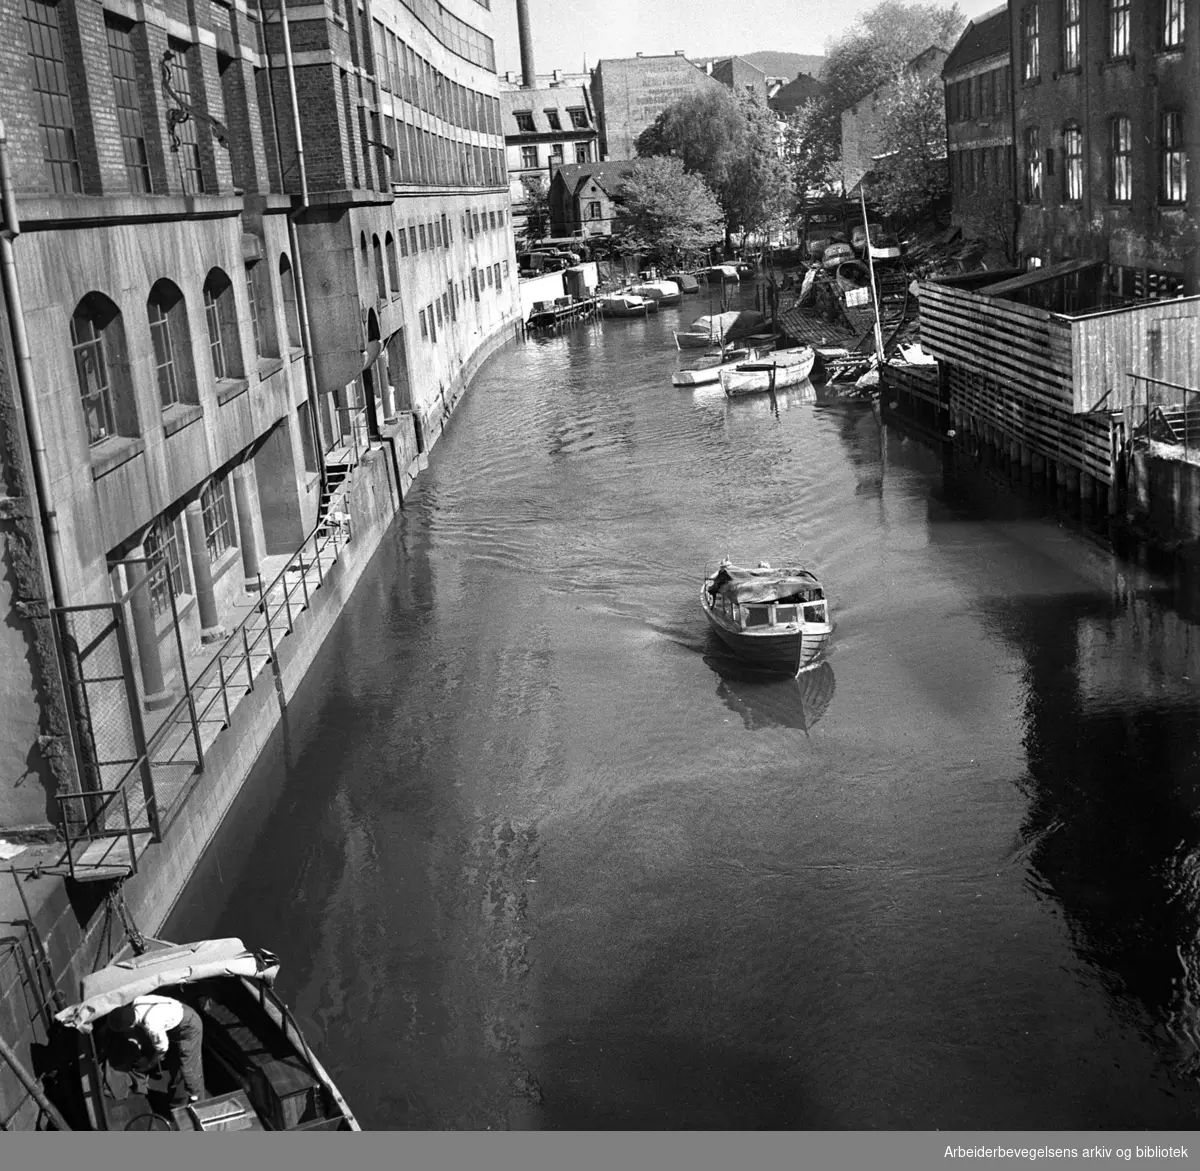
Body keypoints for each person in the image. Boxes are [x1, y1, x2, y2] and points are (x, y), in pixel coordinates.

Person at [107, 994, 207, 1106]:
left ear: (130, 1026)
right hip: (176, 1011)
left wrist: (148, 1064)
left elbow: (162, 1049)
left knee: (188, 1066)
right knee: (171, 1056)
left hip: (189, 1026)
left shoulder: (152, 1026)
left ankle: (197, 1099)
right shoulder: (137, 1001)